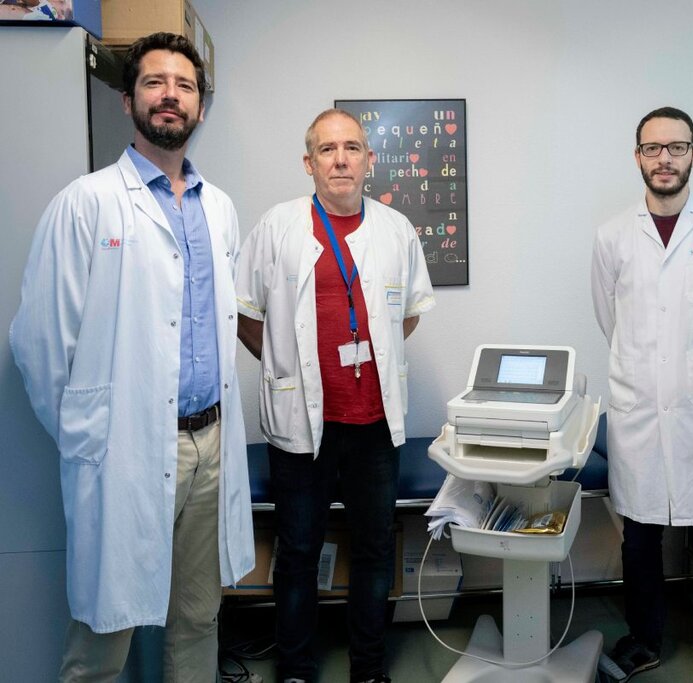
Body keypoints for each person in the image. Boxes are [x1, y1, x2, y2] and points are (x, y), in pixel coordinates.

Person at [9, 32, 254, 682]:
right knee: (104, 636)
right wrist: (93, 438)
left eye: (185, 86)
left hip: (209, 444)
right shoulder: (87, 203)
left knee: (198, 618)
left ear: (201, 107)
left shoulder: (220, 209)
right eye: (154, 82)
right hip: (124, 452)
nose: (171, 95)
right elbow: (39, 344)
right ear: (128, 100)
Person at [235, 108, 435, 683]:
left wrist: (370, 359)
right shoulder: (277, 227)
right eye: (327, 149)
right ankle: (296, 668)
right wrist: (284, 367)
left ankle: (368, 668)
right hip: (301, 426)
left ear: (370, 160)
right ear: (309, 163)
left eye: (352, 148)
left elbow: (408, 315)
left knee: (374, 549)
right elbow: (246, 314)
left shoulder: (396, 229)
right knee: (298, 551)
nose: (341, 159)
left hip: (373, 424)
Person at [591, 106, 693, 683]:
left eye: (677, 147)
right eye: (653, 148)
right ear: (638, 156)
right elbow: (609, 318)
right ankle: (644, 642)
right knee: (639, 545)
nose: (665, 158)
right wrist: (652, 370)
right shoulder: (612, 235)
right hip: (639, 411)